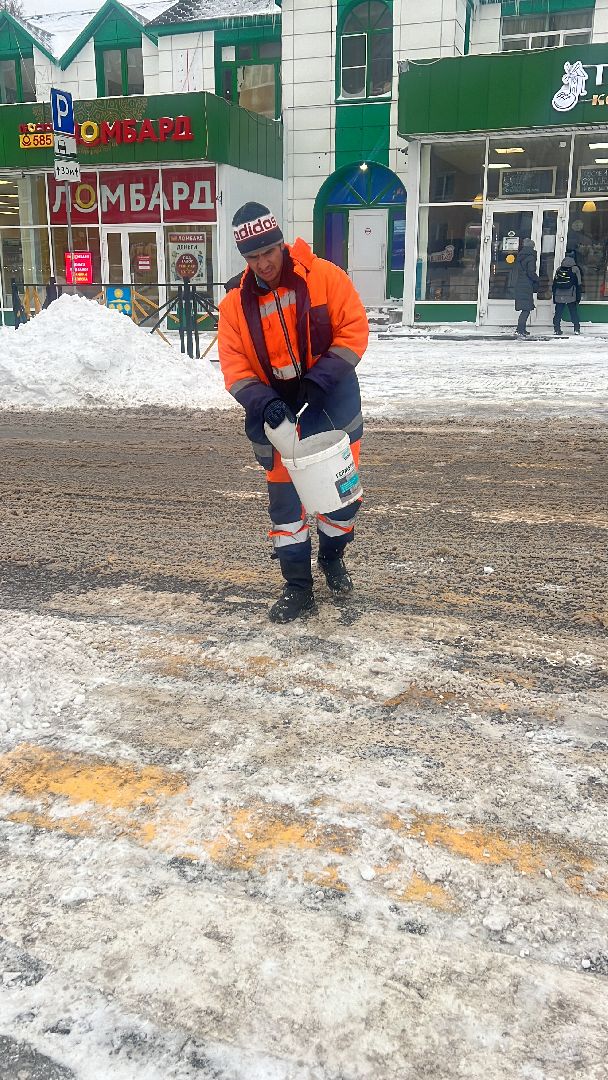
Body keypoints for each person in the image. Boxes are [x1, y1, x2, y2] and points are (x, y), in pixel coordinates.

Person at [218, 202, 368, 624]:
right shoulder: (233, 305)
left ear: (281, 242)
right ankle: (298, 587)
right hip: (279, 418)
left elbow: (353, 330)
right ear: (243, 258)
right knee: (286, 508)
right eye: (252, 257)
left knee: (341, 502)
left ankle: (332, 559)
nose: (263, 263)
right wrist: (265, 403)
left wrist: (320, 381)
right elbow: (235, 368)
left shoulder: (324, 277)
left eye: (269, 251)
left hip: (332, 405)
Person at [513, 237, 540, 337]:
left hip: (520, 283)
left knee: (525, 308)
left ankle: (521, 329)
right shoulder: (531, 257)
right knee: (526, 309)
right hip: (526, 284)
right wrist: (537, 279)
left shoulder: (520, 256)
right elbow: (531, 272)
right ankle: (520, 329)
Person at [552, 251, 582, 336]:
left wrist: (554, 294)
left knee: (558, 312)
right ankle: (576, 329)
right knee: (573, 312)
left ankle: (557, 329)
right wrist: (578, 295)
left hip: (559, 295)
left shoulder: (559, 269)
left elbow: (554, 283)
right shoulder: (575, 269)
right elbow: (578, 283)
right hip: (571, 295)